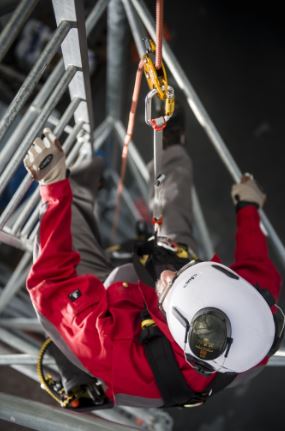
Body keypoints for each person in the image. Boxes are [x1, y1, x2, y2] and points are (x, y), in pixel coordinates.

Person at [23, 123, 284, 409]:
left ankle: (80, 184)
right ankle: (171, 148)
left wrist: (54, 185)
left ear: (174, 324)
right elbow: (257, 267)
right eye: (190, 273)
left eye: (170, 287)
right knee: (174, 232)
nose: (169, 272)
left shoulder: (110, 344)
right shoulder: (256, 324)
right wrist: (248, 207)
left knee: (68, 221)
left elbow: (49, 282)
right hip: (157, 325)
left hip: (118, 314)